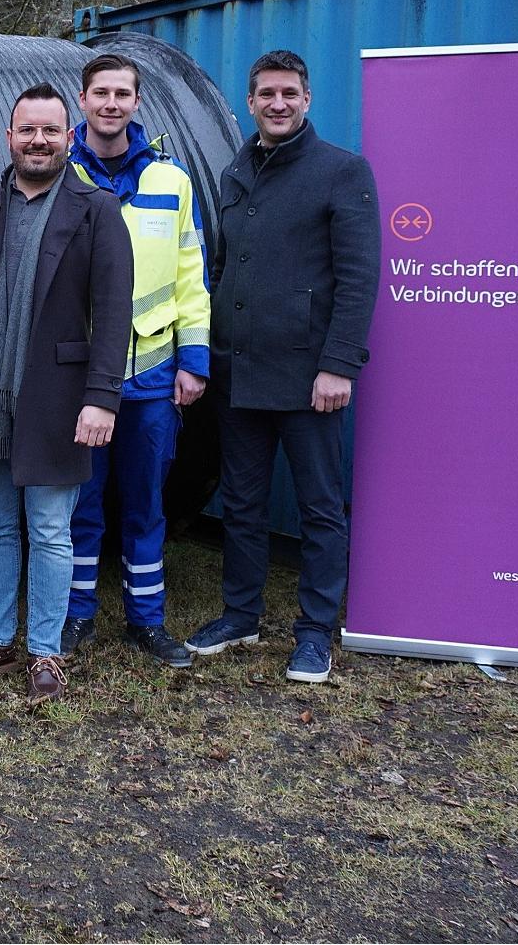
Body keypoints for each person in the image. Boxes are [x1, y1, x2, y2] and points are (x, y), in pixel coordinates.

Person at [187, 49, 380, 684]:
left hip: (308, 381)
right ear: (250, 102)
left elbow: (357, 280)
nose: (277, 103)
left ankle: (314, 634)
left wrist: (339, 366)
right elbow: (223, 269)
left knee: (320, 508)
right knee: (242, 505)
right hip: (238, 375)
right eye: (266, 93)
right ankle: (241, 616)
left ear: (307, 99)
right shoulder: (234, 171)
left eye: (289, 93)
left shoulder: (342, 172)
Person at [0, 84, 133, 703]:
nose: (39, 141)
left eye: (51, 131)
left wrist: (102, 398)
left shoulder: (96, 209)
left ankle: (47, 652)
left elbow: (114, 310)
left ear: (68, 137)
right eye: (28, 130)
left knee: (51, 529)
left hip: (57, 400)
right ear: (9, 137)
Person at [60, 53, 212, 667]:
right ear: (83, 99)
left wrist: (194, 360)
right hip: (80, 374)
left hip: (151, 372)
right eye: (101, 93)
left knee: (147, 502)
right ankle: (75, 617)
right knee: (78, 502)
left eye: (123, 93)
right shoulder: (61, 176)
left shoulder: (171, 182)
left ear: (137, 103)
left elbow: (191, 278)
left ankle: (146, 621)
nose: (111, 104)